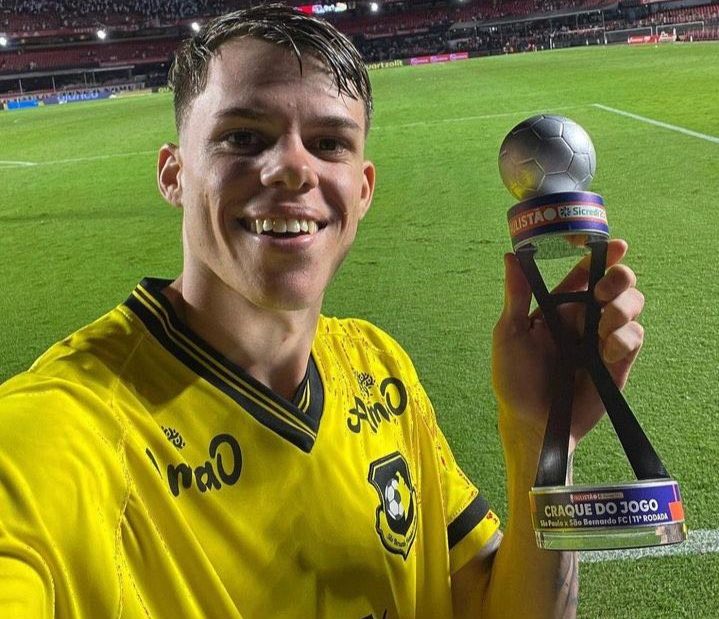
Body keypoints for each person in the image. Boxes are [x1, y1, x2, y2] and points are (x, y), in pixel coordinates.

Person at [0, 4, 646, 618]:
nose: (291, 168)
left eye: (329, 142)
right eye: (243, 136)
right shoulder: (48, 435)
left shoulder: (377, 364)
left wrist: (539, 437)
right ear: (174, 173)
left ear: (361, 189)